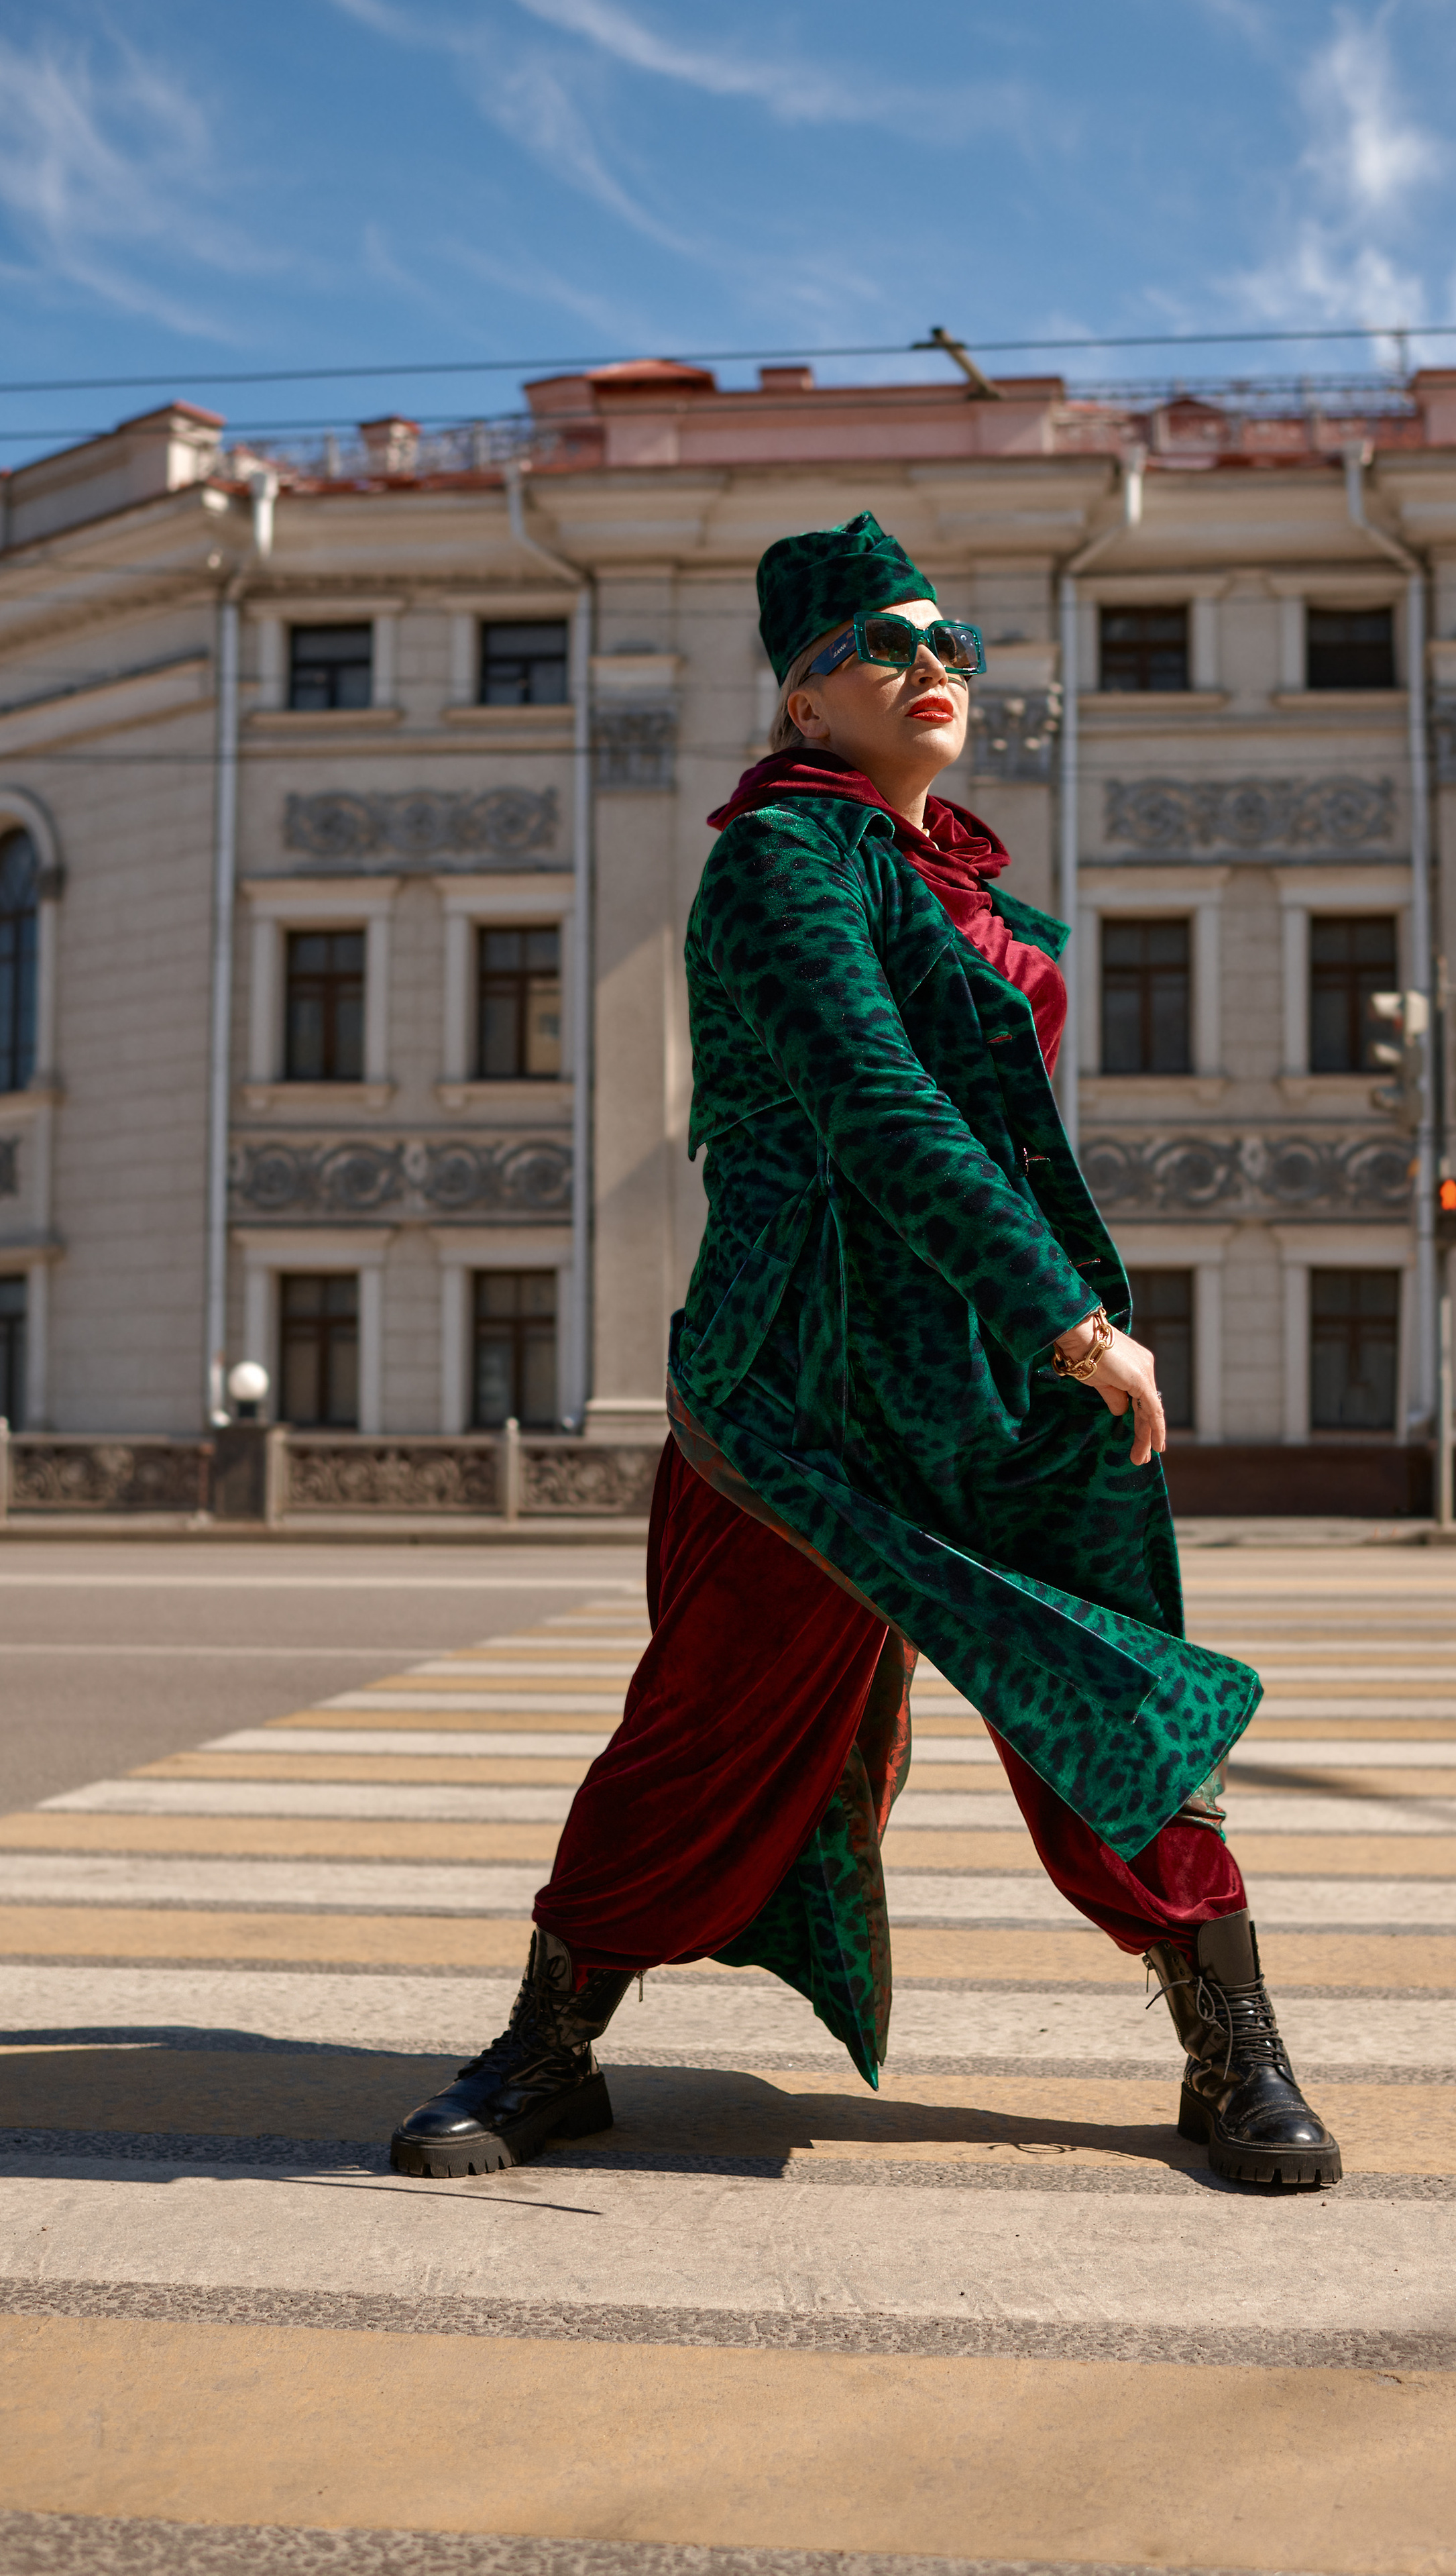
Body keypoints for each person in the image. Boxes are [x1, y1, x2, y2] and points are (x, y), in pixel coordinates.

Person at [391, 513, 1340, 2191]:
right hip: (801, 1379)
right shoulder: (779, 861)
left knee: (1106, 1689)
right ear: (802, 699)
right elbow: (875, 1104)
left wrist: (1040, 1329)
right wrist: (1068, 1318)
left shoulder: (960, 889)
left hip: (984, 1382)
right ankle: (549, 2045)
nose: (931, 667)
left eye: (949, 643)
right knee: (707, 1720)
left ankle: (1232, 2045)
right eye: (883, 646)